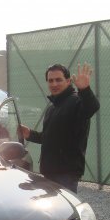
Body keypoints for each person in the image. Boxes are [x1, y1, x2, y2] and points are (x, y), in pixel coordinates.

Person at [19, 63, 100, 193]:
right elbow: (49, 137)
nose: (54, 84)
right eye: (50, 80)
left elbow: (91, 107)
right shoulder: (53, 107)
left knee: (65, 211)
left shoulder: (76, 101)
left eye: (58, 80)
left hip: (66, 175)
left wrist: (85, 90)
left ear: (68, 81)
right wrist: (30, 134)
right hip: (50, 172)